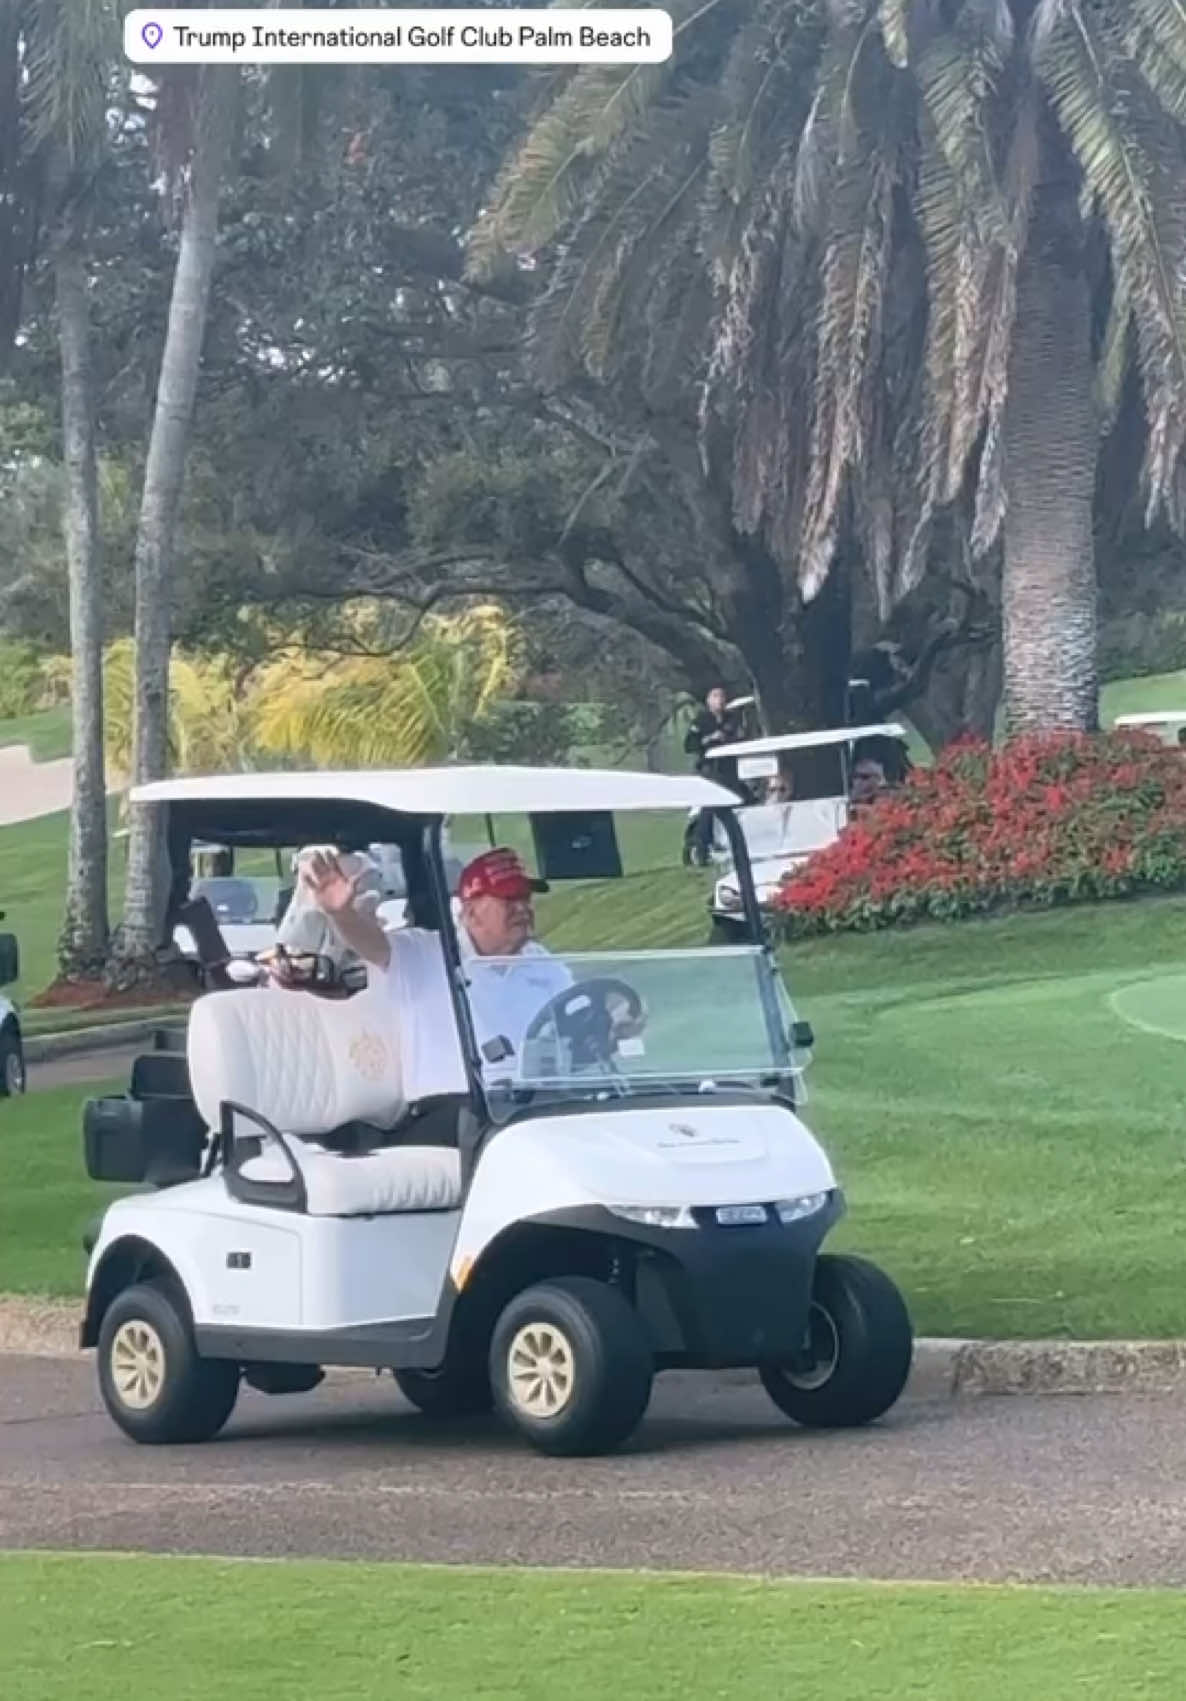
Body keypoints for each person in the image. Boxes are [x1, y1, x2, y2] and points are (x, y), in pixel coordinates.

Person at [300, 844, 639, 1108]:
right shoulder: (424, 953)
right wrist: (340, 914)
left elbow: (575, 1027)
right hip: (453, 1107)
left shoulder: (543, 965)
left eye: (525, 898)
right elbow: (368, 942)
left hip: (532, 1104)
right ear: (471, 910)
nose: (522, 908)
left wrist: (611, 1023)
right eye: (508, 899)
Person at [683, 685, 745, 865]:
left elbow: (739, 737)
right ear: (708, 700)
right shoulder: (701, 721)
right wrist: (709, 739)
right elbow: (689, 745)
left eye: (722, 696)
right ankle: (701, 848)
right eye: (716, 696)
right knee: (710, 809)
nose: (720, 700)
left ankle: (734, 843)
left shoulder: (732, 719)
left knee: (737, 803)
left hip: (730, 770)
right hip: (710, 770)